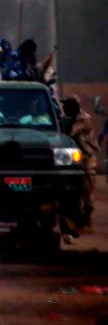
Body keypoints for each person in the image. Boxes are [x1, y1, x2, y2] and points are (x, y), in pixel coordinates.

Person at [62, 96, 99, 230]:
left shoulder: (83, 119)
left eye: (67, 106)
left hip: (87, 157)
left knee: (87, 188)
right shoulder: (68, 119)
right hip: (74, 157)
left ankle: (87, 215)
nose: (64, 109)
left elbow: (71, 133)